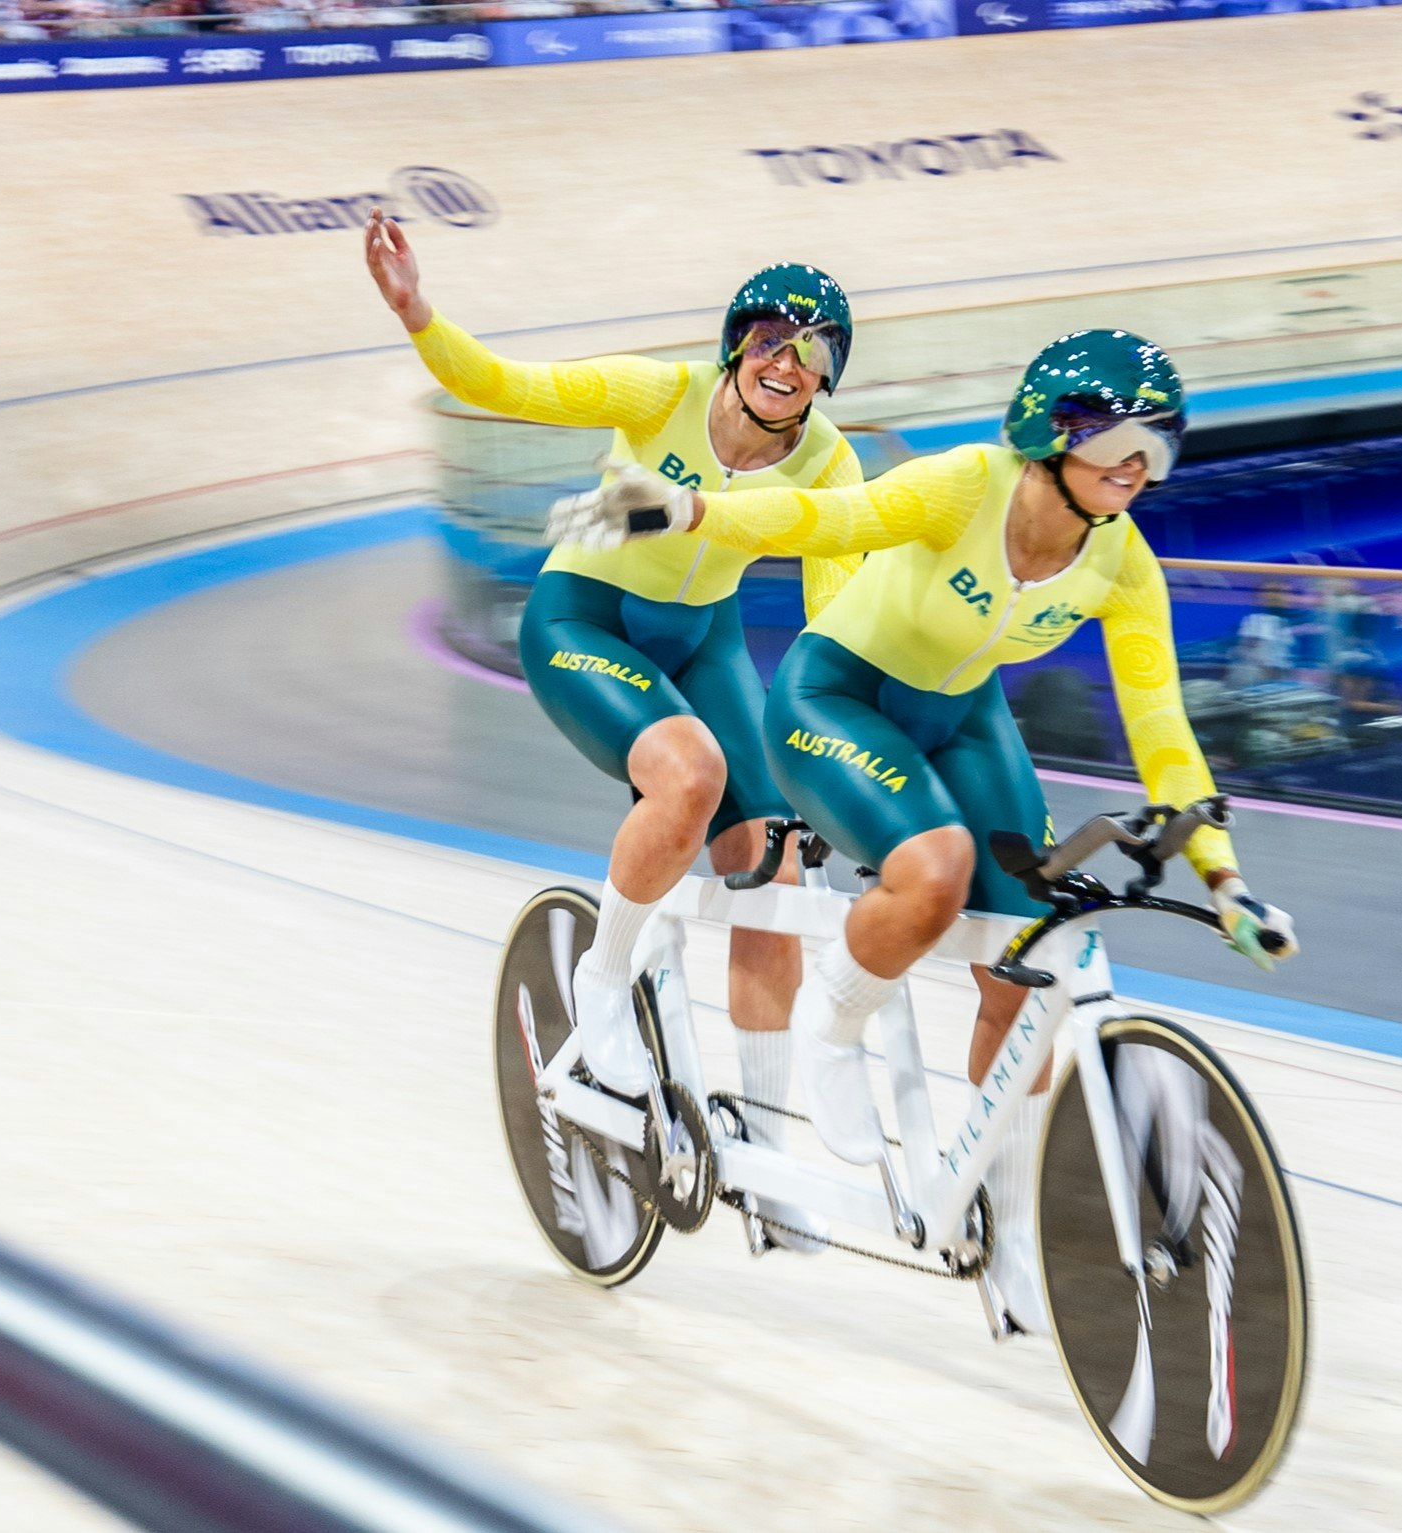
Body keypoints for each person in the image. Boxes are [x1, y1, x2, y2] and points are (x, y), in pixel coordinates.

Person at [547, 328, 1299, 1332]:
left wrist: (1223, 878)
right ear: (1050, 432)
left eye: (1157, 452)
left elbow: (1162, 729)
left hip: (960, 721)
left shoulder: (1123, 563)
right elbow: (828, 515)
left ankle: (1004, 1223)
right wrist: (689, 507)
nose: (1136, 472)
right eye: (1121, 443)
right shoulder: (966, 487)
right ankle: (835, 1021)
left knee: (1031, 957)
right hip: (839, 699)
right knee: (935, 868)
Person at [364, 210, 862, 1212]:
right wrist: (419, 313)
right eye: (772, 340)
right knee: (691, 773)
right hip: (584, 621)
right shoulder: (661, 392)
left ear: (824, 380)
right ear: (737, 346)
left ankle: (759, 1156)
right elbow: (505, 387)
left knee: (774, 863)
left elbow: (836, 614)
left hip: (702, 637)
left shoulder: (829, 464)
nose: (787, 363)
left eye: (811, 353)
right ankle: (601, 982)